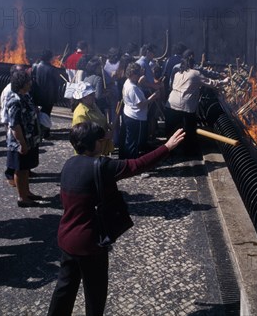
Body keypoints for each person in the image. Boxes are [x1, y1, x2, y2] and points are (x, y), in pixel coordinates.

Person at [47, 121, 185, 316]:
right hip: (90, 243)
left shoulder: (69, 164)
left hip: (67, 238)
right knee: (95, 294)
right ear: (92, 143)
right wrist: (167, 147)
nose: (104, 144)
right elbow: (137, 165)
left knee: (64, 289)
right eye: (101, 140)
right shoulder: (101, 166)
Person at [165, 50, 229, 156]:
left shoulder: (178, 73)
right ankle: (188, 151)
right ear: (192, 63)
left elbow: (172, 86)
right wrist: (224, 82)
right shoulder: (195, 73)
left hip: (171, 103)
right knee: (188, 129)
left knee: (173, 129)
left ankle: (170, 150)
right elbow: (211, 83)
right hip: (185, 106)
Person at [4, 69, 42, 207]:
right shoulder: (15, 100)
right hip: (20, 142)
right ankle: (22, 197)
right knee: (20, 169)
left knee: (26, 168)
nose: (31, 83)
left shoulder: (25, 96)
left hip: (30, 138)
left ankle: (27, 192)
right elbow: (14, 125)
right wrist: (22, 143)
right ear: (22, 83)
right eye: (28, 81)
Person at [122, 62, 159, 159]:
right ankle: (133, 163)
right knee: (134, 142)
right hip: (136, 117)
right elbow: (140, 104)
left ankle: (128, 160)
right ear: (133, 74)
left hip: (129, 114)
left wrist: (139, 83)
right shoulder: (132, 88)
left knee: (130, 140)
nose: (140, 75)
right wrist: (153, 97)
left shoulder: (128, 82)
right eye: (138, 74)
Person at [71, 82, 114, 156]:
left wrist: (107, 125)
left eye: (93, 93)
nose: (94, 96)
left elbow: (99, 119)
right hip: (88, 153)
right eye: (91, 95)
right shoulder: (80, 114)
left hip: (99, 149)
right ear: (83, 97)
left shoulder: (93, 105)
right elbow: (82, 138)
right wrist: (104, 135)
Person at [31, 49, 59, 139]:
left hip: (36, 94)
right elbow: (56, 84)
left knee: (36, 114)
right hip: (48, 96)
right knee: (46, 114)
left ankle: (36, 130)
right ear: (50, 58)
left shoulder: (35, 66)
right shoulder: (52, 69)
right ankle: (45, 133)